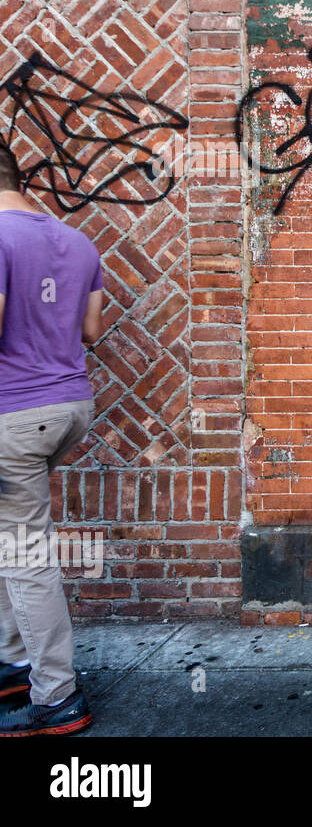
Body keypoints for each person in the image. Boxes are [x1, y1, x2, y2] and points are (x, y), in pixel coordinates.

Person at [0, 141, 104, 736]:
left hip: (13, 414)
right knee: (12, 535)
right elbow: (91, 331)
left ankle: (57, 696)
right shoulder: (77, 241)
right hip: (69, 406)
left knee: (24, 552)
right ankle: (16, 663)